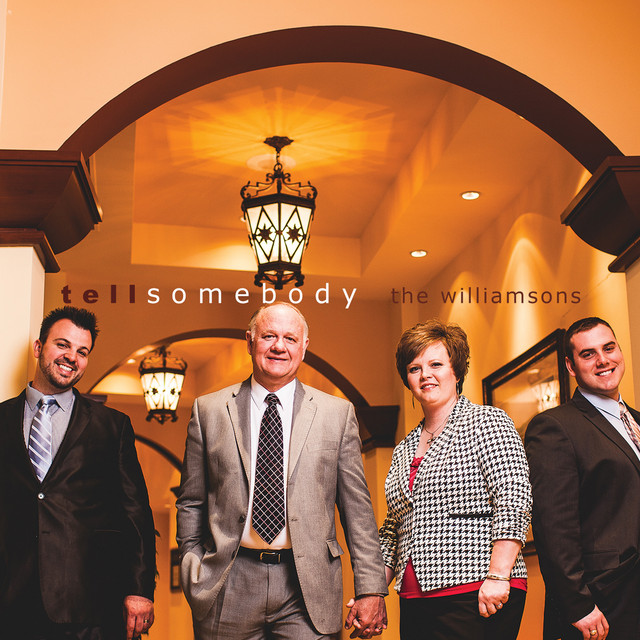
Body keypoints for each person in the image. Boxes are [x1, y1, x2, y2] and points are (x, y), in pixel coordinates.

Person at [176, 301, 388, 640]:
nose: (279, 346)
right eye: (269, 336)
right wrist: (192, 563)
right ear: (250, 342)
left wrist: (370, 587)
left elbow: (357, 510)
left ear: (304, 347)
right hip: (228, 583)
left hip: (307, 587)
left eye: (290, 338)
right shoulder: (209, 410)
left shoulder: (337, 414)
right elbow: (191, 500)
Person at [0, 306, 156, 640]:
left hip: (88, 602)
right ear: (39, 347)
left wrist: (140, 590)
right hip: (11, 600)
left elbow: (136, 512)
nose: (72, 357)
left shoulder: (112, 426)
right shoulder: (1, 419)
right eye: (63, 345)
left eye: (82, 352)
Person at [379, 319, 531, 640]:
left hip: (476, 589)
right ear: (407, 379)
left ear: (456, 371)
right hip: (414, 597)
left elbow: (513, 498)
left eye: (436, 364)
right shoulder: (404, 448)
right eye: (415, 368)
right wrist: (372, 591)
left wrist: (499, 576)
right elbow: (393, 528)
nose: (425, 375)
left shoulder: (486, 422)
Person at [525, 317, 640, 640]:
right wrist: (577, 605)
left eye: (609, 348)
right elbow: (553, 526)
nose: (603, 360)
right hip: (604, 600)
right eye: (588, 354)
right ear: (571, 366)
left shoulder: (637, 421)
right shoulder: (554, 427)